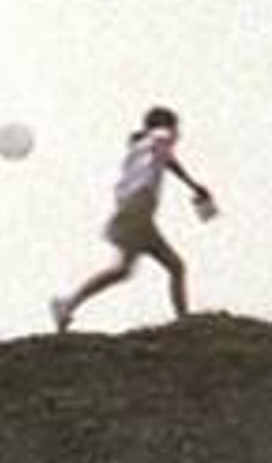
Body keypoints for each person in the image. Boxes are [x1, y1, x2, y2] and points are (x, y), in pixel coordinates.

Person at [51, 106, 214, 332]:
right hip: (138, 208)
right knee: (132, 268)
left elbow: (160, 156)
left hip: (136, 211)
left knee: (171, 266)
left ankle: (183, 321)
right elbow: (166, 155)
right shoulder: (159, 137)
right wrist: (194, 185)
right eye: (176, 128)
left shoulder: (141, 146)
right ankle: (67, 304)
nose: (178, 134)